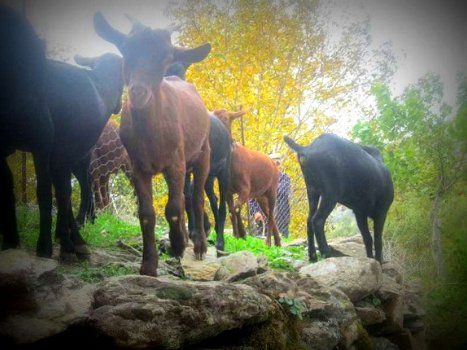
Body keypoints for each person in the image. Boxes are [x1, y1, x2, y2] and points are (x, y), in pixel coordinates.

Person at [248, 153, 291, 238]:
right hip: (262, 217)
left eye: (277, 164)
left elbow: (283, 191)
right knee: (260, 238)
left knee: (282, 238)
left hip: (281, 216)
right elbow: (251, 198)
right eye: (273, 163)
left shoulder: (284, 178)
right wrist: (256, 212)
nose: (276, 166)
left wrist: (267, 188)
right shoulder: (260, 178)